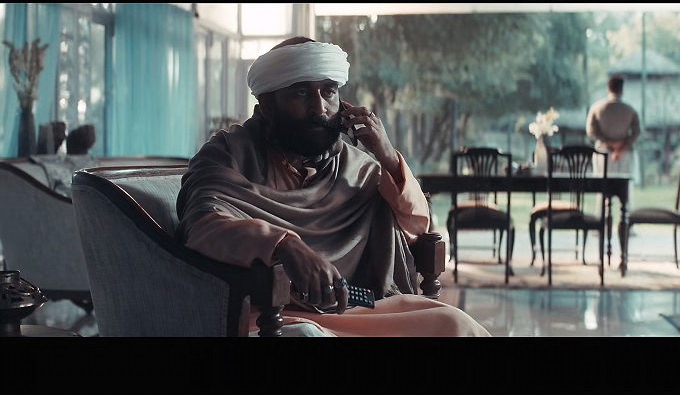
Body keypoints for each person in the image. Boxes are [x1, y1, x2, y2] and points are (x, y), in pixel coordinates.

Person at [175, 36, 490, 337]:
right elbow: (202, 224)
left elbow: (417, 227)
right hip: (273, 315)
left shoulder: (358, 168)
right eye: (301, 93)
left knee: (455, 324)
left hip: (360, 309)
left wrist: (388, 157)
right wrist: (286, 246)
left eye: (328, 92)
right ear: (267, 104)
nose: (319, 108)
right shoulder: (228, 153)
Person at [585, 75, 641, 233]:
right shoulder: (630, 110)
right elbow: (637, 132)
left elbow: (591, 131)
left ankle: (599, 225)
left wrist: (609, 143)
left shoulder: (597, 108)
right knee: (626, 189)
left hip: (602, 153)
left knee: (602, 189)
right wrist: (621, 146)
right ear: (622, 89)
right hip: (625, 154)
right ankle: (627, 226)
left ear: (608, 88)